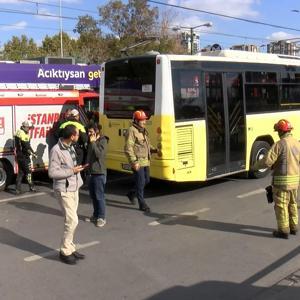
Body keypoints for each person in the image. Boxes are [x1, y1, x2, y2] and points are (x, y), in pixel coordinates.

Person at [253, 119, 300, 239]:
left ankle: (283, 231)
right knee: (293, 204)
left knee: (281, 206)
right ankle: (294, 227)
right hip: (295, 182)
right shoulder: (297, 143)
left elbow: (267, 161)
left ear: (280, 131)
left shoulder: (280, 144)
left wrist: (255, 166)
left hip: (282, 182)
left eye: (278, 131)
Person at [48, 124, 85, 265]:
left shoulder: (70, 147)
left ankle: (70, 246)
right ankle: (64, 251)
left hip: (74, 188)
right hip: (64, 190)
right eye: (77, 134)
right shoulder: (56, 150)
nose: (78, 136)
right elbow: (52, 172)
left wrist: (77, 170)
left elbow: (71, 166)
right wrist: (71, 171)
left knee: (71, 221)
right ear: (71, 136)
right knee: (72, 220)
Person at [124, 110, 157, 212]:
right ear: (136, 120)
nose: (144, 122)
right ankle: (142, 203)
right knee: (141, 181)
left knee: (146, 180)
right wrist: (134, 161)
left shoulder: (142, 130)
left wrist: (154, 149)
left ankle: (131, 193)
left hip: (146, 161)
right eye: (141, 120)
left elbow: (146, 144)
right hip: (138, 162)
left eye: (144, 120)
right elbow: (128, 148)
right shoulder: (131, 131)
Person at [85, 123, 108, 227]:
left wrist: (94, 143)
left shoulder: (103, 140)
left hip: (99, 173)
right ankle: (95, 215)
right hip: (91, 172)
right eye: (88, 131)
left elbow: (99, 154)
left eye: (91, 131)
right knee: (93, 196)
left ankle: (101, 217)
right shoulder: (90, 140)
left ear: (97, 130)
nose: (89, 133)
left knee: (99, 196)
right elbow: (89, 155)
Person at [15, 120, 37, 194]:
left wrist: (33, 152)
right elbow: (26, 147)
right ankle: (32, 187)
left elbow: (26, 146)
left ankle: (17, 189)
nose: (29, 129)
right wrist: (33, 154)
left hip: (19, 156)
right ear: (25, 127)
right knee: (29, 172)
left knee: (21, 172)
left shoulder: (18, 132)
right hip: (24, 156)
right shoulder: (23, 134)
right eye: (29, 128)